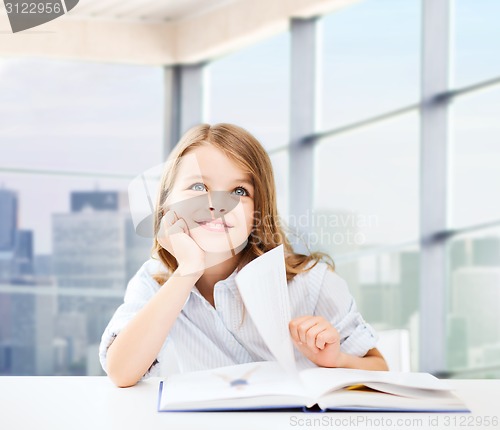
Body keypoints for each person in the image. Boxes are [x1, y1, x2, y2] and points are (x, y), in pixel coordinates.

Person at [99, 123, 388, 388]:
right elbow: (121, 372)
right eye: (198, 187)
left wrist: (336, 361)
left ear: (257, 212)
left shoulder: (310, 282)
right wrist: (187, 271)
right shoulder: (154, 281)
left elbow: (380, 370)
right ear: (166, 205)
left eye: (239, 191)